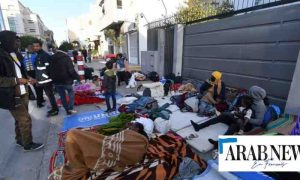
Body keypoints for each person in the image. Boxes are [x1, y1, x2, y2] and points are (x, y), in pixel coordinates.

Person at [49, 122, 149, 180]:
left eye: (133, 126)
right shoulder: (127, 133)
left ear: (138, 129)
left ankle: (80, 157)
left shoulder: (138, 137)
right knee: (84, 141)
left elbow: (110, 143)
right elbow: (111, 140)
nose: (130, 126)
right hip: (120, 152)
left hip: (128, 153)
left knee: (73, 134)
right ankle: (82, 152)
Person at [0, 30, 44, 151]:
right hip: (12, 93)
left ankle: (20, 140)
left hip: (23, 91)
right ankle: (28, 144)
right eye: (15, 40)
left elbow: (21, 71)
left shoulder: (16, 54)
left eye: (18, 40)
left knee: (19, 119)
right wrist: (16, 81)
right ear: (7, 41)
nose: (18, 43)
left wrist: (29, 78)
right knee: (25, 119)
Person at [49, 48, 79, 115]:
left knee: (62, 96)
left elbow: (49, 70)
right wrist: (77, 77)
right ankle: (70, 108)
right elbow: (71, 70)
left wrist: (52, 79)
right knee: (71, 93)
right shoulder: (66, 57)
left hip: (56, 81)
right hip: (66, 80)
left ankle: (67, 110)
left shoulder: (51, 58)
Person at [33, 39, 59, 117]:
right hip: (42, 80)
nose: (35, 48)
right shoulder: (38, 55)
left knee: (50, 95)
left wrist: (44, 78)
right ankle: (54, 108)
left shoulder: (44, 55)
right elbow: (39, 69)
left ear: (41, 46)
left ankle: (55, 110)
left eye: (37, 46)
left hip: (46, 80)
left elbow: (49, 68)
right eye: (34, 46)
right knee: (49, 95)